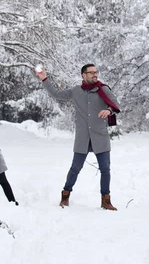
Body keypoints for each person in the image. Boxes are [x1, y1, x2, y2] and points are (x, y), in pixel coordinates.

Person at [35, 64, 121, 210]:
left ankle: (106, 200)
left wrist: (108, 110)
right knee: (75, 168)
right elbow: (56, 94)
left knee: (105, 169)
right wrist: (44, 79)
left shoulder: (103, 89)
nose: (95, 74)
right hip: (82, 138)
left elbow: (115, 104)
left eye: (96, 72)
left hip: (100, 136)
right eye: (91, 72)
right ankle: (65, 195)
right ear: (83, 75)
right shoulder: (76, 91)